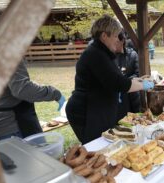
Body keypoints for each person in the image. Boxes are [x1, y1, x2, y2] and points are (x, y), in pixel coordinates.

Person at [66, 15, 154, 144]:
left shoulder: (102, 53)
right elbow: (119, 84)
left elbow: (118, 79)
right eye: (115, 36)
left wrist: (139, 81)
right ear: (104, 36)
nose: (118, 40)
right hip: (86, 112)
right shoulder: (95, 54)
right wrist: (144, 85)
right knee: (97, 148)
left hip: (96, 109)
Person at [0, 60, 65, 141]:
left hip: (1, 124)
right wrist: (54, 93)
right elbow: (22, 90)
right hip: (10, 125)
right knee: (32, 152)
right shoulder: (8, 54)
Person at [115, 31, 140, 121]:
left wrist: (125, 81)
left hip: (132, 95)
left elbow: (138, 74)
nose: (114, 44)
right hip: (117, 98)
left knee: (134, 120)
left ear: (122, 41)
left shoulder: (132, 55)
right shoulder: (109, 56)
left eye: (116, 41)